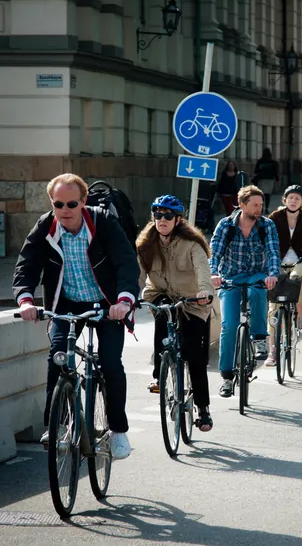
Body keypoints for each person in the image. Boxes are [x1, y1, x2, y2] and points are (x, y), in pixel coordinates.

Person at [12, 173, 140, 459]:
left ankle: (118, 430)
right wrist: (25, 300)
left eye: (72, 203)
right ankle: (56, 425)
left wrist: (124, 300)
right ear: (51, 203)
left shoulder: (103, 222)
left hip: (106, 304)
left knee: (110, 362)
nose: (65, 210)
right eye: (59, 204)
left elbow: (126, 263)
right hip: (66, 304)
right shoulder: (46, 226)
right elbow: (26, 266)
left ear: (83, 201)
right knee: (57, 356)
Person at [136, 195, 214, 431]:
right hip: (160, 293)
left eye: (168, 216)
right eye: (158, 215)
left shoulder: (192, 244)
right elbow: (137, 276)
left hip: (193, 301)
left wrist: (204, 291)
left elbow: (202, 270)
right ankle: (159, 375)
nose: (162, 219)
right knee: (162, 314)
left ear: (177, 220)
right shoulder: (145, 244)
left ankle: (203, 409)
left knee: (194, 354)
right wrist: (127, 297)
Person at [210, 185, 280, 397]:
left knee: (258, 291)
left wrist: (273, 274)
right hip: (230, 277)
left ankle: (259, 337)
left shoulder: (266, 225)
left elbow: (273, 251)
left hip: (257, 273)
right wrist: (214, 273)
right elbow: (215, 253)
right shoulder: (225, 225)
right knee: (229, 326)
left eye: (261, 204)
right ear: (242, 205)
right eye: (255, 205)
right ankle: (227, 378)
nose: (259, 208)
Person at [266, 185, 302, 365]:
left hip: (301, 261)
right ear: (285, 200)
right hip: (277, 262)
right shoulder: (275, 217)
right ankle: (272, 351)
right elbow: (266, 237)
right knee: (273, 310)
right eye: (291, 197)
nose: (294, 201)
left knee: (297, 278)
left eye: (297, 198)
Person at [254, 148, 279, 214]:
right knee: (267, 195)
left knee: (261, 195)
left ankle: (261, 208)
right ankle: (266, 208)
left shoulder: (260, 162)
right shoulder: (273, 162)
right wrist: (277, 179)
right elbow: (275, 172)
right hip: (269, 180)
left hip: (261, 179)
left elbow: (256, 171)